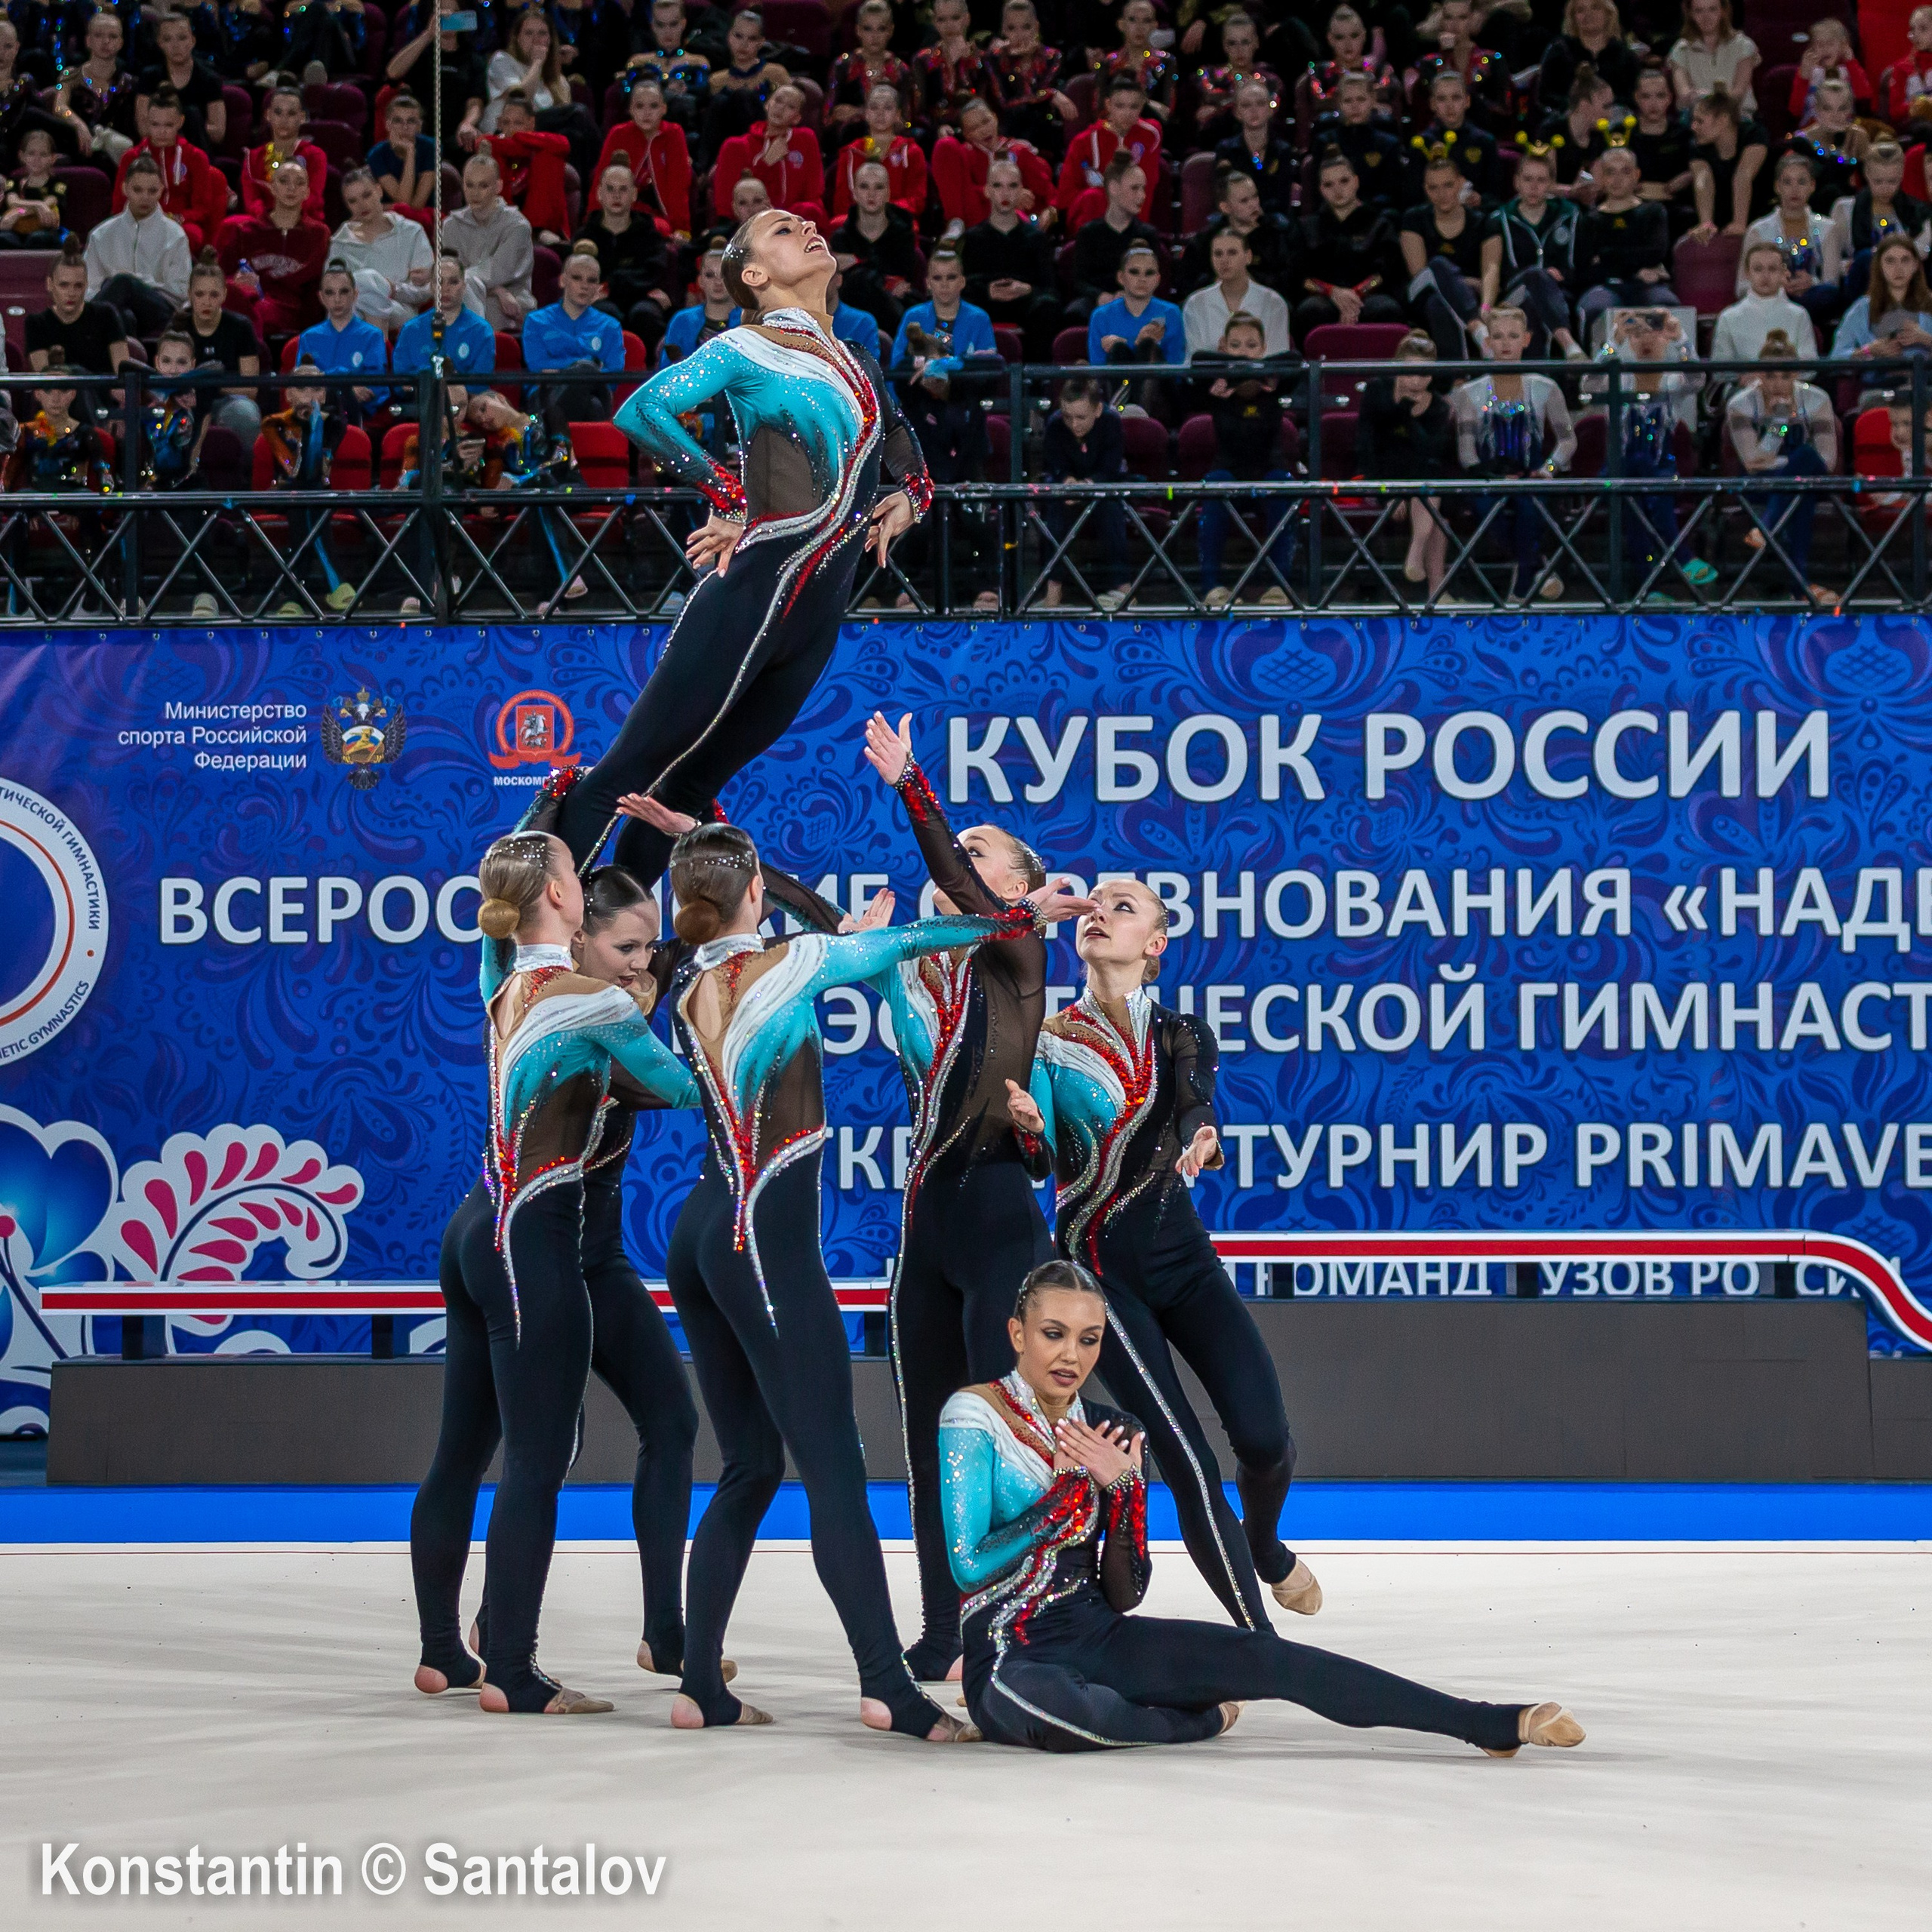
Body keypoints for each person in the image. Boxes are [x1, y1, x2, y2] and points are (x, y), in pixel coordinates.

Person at [655, 819, 1082, 1736]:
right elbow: (917, 937)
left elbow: (860, 935)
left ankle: (700, 1679)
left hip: (697, 1232)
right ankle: (888, 1685)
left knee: (747, 1464)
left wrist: (705, 843)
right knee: (836, 1472)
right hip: (760, 1238)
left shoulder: (689, 981)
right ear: (754, 901)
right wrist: (1015, 918)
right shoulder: (793, 963)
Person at [941, 1259, 1587, 1757]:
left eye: (1089, 1339)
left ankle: (1488, 1722)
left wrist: (1127, 1490)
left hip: (1098, 1638)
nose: (1071, 1356)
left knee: (1273, 1660)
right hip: (1009, 1658)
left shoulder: (1113, 1430)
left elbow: (1126, 1594)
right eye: (1054, 1335)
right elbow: (969, 1567)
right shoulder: (975, 1415)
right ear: (1017, 1333)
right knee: (1063, 1716)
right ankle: (1191, 1720)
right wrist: (1073, 1493)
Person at [408, 827, 700, 1715]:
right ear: (566, 906)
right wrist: (666, 1007)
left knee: (466, 1453)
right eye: (572, 873)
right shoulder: (594, 1003)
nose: (641, 956)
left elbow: (514, 892)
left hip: (479, 1232)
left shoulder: (502, 977)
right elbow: (687, 1089)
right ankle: (515, 1669)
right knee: (537, 1456)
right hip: (529, 1240)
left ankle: (443, 1654)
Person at [558, 208, 930, 888]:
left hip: (816, 621)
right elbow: (641, 411)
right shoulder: (747, 348)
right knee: (629, 770)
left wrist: (910, 497)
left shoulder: (861, 360)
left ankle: (630, 945)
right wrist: (731, 498)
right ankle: (536, 946)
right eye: (785, 230)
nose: (810, 227)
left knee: (691, 785)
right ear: (753, 275)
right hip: (750, 595)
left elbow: (907, 452)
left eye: (808, 223)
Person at [1005, 881, 1315, 1633]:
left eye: (1124, 905)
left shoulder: (1180, 1030)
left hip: (1184, 1261)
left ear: (1155, 945)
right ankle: (1259, 1641)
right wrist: (1026, 1127)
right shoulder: (1047, 1036)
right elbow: (1043, 1161)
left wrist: (1202, 1137)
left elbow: (1194, 1101)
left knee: (1267, 1442)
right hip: (1101, 1281)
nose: (1102, 913)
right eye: (1097, 905)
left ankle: (1263, 1544)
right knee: (1186, 1460)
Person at [850, 714, 1082, 1681]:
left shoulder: (1018, 956)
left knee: (1015, 1431)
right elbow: (797, 932)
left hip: (994, 1220)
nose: (960, 857)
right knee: (927, 1436)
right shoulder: (911, 958)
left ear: (1018, 890)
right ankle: (945, 1627)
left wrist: (914, 788)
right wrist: (720, 848)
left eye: (983, 852)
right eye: (961, 842)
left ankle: (1039, 1618)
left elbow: (960, 887)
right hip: (922, 1222)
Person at [1451, 303, 1577, 600]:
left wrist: (1549, 469)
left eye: (1512, 336)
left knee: (1530, 506)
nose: (1505, 344)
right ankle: (1537, 566)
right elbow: (1467, 452)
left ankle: (1521, 588)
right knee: (1488, 510)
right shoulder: (1470, 393)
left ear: (1526, 339)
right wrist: (1491, 478)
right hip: (1488, 476)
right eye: (1498, 336)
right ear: (1488, 342)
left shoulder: (1546, 387)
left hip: (1533, 473)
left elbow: (1568, 440)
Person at [1590, 309, 1702, 586]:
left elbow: (1698, 380)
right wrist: (1612, 342)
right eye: (1636, 333)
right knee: (1636, 470)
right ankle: (1682, 555)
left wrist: (1682, 340)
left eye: (1653, 331)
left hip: (1662, 474)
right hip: (1616, 473)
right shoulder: (1619, 378)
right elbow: (1588, 384)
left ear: (1665, 336)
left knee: (1639, 492)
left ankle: (1647, 585)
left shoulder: (1672, 381)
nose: (1645, 340)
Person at [1191, 309, 1296, 605]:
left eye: (1252, 346)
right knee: (1215, 486)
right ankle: (1213, 588)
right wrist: (1238, 374)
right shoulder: (1216, 382)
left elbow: (1295, 359)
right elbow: (1198, 359)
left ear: (1263, 348)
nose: (1244, 352)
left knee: (1283, 485)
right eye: (1235, 346)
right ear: (1224, 346)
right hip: (1229, 470)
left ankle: (1279, 587)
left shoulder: (1276, 385)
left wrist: (1257, 371)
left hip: (1268, 470)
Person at [1726, 328, 1835, 605]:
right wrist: (1780, 421)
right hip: (1761, 485)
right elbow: (1752, 463)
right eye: (1770, 375)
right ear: (1759, 375)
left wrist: (1787, 463)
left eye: (1786, 376)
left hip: (1809, 478)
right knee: (1800, 484)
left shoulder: (1817, 399)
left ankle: (1766, 528)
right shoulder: (1740, 403)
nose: (1777, 383)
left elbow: (1827, 460)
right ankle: (1800, 588)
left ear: (1797, 374)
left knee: (1806, 459)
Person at [1361, 331, 1457, 595]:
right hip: (1382, 476)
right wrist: (1386, 493)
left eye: (1424, 375)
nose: (1416, 382)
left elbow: (1429, 451)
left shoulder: (1438, 406)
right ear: (1396, 367)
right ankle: (1438, 591)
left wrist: (1408, 414)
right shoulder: (1377, 391)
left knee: (1434, 492)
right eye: (1410, 373)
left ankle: (1419, 557)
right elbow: (1368, 447)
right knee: (1433, 500)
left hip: (1422, 477)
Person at [260, 361, 355, 611]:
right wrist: (308, 426)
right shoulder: (274, 424)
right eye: (302, 389)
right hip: (284, 491)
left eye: (316, 389)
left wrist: (315, 426)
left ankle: (293, 595)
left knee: (308, 503)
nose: (309, 396)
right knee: (303, 499)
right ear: (289, 394)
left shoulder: (334, 423)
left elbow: (317, 467)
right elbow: (294, 469)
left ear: (324, 394)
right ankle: (337, 585)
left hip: (317, 491)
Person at [1477, 146, 1583, 360]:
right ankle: (1569, 344)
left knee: (1535, 305)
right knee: (1535, 275)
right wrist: (1486, 306)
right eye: (1528, 179)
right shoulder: (1500, 218)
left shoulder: (1570, 214)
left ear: (1551, 184)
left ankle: (1543, 380)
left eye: (1541, 180)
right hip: (1515, 292)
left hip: (1559, 294)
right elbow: (1491, 267)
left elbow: (1583, 263)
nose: (1534, 187)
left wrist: (1564, 275)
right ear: (1516, 182)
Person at [1294, 150, 1404, 342]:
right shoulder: (1306, 227)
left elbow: (1388, 272)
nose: (1337, 190)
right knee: (1310, 311)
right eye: (1329, 184)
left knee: (1387, 310)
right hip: (1323, 297)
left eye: (1344, 181)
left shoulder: (1380, 224)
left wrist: (1354, 296)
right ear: (1321, 189)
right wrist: (1333, 292)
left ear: (1356, 182)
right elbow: (1298, 276)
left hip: (1371, 296)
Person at [1038, 375, 1127, 610]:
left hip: (1101, 487)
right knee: (1056, 511)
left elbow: (1112, 466)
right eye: (1068, 417)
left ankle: (1122, 585)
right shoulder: (1056, 425)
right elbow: (1053, 463)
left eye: (1081, 417)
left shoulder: (1111, 422)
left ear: (1097, 410)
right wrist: (1067, 481)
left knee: (1112, 510)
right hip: (1067, 488)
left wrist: (1088, 484)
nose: (1074, 425)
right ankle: (1053, 587)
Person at [217, 157, 330, 337]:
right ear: (272, 188)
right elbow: (221, 277)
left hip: (292, 311)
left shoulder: (318, 234)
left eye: (299, 183)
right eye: (284, 181)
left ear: (307, 192)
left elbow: (316, 287)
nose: (291, 188)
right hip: (247, 301)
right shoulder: (245, 231)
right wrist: (236, 280)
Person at [1577, 143, 1677, 342]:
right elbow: (1585, 266)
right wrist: (1636, 268)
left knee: (1666, 305)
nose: (1617, 179)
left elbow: (1656, 253)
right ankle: (1595, 370)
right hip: (1606, 286)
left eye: (1625, 172)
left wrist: (1606, 256)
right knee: (1596, 307)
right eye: (1610, 172)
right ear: (1602, 178)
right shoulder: (1589, 219)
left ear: (1636, 175)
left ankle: (1668, 370)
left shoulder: (1654, 212)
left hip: (1646, 287)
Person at [84, 154, 191, 337]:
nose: (145, 197)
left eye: (152, 191)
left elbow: (180, 292)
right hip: (113, 309)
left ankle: (81, 329)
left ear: (161, 190)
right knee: (125, 317)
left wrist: (137, 282)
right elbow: (88, 287)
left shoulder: (176, 235)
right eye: (138, 190)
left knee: (123, 282)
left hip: (160, 310)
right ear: (125, 188)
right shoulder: (101, 234)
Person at [962, 158, 1059, 359]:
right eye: (998, 186)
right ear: (987, 191)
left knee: (1048, 308)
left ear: (1021, 191)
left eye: (1012, 186)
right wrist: (987, 290)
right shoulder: (972, 238)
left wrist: (1028, 289)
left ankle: (1036, 381)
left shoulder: (1037, 238)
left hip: (1026, 305)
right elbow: (963, 284)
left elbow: (1051, 288)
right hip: (985, 304)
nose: (1005, 193)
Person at [1739, 153, 1844, 333]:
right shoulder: (1758, 230)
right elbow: (1742, 286)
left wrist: (1812, 282)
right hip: (1771, 298)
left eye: (1801, 182)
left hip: (1814, 302)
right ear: (1777, 187)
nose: (1794, 189)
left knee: (1827, 296)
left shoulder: (1828, 228)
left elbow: (1831, 282)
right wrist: (1775, 283)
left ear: (1812, 186)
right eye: (1787, 182)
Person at [574, 162, 673, 351]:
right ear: (599, 194)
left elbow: (652, 273)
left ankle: (650, 376)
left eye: (623, 189)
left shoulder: (650, 234)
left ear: (634, 194)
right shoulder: (584, 236)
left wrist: (611, 285)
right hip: (600, 299)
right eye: (610, 189)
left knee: (645, 316)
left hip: (641, 297)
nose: (617, 196)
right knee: (604, 314)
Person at [112, 89, 226, 255]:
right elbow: (118, 204)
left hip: (181, 223)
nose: (161, 132)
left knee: (188, 235)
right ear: (147, 122)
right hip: (138, 221)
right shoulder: (131, 158)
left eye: (168, 125)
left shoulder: (195, 157)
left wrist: (174, 219)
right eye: (155, 125)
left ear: (180, 122)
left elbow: (202, 208)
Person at [1402, 148, 1486, 361]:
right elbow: (1421, 274)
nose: (1442, 194)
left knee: (1439, 306)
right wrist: (1464, 282)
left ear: (1461, 183)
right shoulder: (1414, 219)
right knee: (1438, 264)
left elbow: (1491, 272)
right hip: (1422, 291)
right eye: (1434, 188)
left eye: (1448, 185)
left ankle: (1457, 382)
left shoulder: (1480, 221)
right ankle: (1477, 328)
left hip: (1451, 300)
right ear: (1426, 190)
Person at [331, 167, 434, 334]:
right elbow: (332, 292)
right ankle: (379, 354)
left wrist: (392, 289)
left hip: (401, 310)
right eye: (353, 201)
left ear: (379, 191)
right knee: (358, 294)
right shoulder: (341, 241)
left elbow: (425, 291)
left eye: (367, 195)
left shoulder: (411, 232)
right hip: (353, 309)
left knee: (363, 281)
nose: (362, 205)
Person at [174, 250, 263, 441]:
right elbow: (167, 377)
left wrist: (211, 388)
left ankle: (246, 471)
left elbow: (250, 390)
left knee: (245, 414)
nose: (207, 301)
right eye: (200, 294)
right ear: (189, 295)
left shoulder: (241, 327)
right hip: (186, 401)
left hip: (227, 401)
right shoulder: (178, 326)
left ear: (224, 295)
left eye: (214, 295)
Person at [931, 95, 1050, 237]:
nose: (983, 130)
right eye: (974, 128)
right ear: (967, 135)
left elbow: (1049, 193)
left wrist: (1051, 211)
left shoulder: (1019, 150)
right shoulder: (963, 155)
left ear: (995, 117)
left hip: (1022, 227)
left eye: (986, 121)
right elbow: (963, 194)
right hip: (979, 227)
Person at [384, 0, 486, 165]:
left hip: (456, 134)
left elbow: (475, 102)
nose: (447, 17)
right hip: (421, 131)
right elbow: (393, 73)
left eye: (453, 12)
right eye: (442, 12)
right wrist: (428, 35)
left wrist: (468, 123)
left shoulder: (473, 59)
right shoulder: (421, 53)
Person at [710, 82, 825, 227]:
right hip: (750, 223)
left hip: (796, 223)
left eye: (790, 107)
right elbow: (726, 205)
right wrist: (766, 163)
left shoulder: (806, 139)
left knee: (809, 210)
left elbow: (814, 193)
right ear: (767, 104)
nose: (781, 108)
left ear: (797, 118)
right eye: (778, 101)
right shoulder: (736, 147)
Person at [1056, 73, 1161, 229]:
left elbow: (1148, 184)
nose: (1127, 113)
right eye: (1120, 106)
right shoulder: (1083, 142)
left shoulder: (1151, 134)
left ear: (1142, 107)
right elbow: (1066, 193)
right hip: (1091, 218)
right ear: (1108, 105)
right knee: (1093, 197)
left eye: (1134, 107)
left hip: (1134, 219)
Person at [443, 153, 534, 333]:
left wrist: (497, 290)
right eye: (469, 185)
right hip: (483, 296)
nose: (475, 193)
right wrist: (498, 291)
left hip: (512, 301)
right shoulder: (451, 225)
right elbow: (450, 277)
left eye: (483, 186)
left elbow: (498, 272)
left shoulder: (518, 226)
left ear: (498, 186)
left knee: (460, 313)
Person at [1067, 153, 1161, 324]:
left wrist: (1131, 294)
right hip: (1097, 302)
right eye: (1135, 188)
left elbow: (1155, 280)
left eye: (1143, 189)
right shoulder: (1089, 233)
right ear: (1113, 188)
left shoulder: (1148, 235)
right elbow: (1079, 281)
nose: (1142, 196)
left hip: (1138, 299)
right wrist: (1101, 296)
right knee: (1076, 312)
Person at [595, 78, 691, 242]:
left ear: (664, 109)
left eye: (653, 106)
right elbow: (601, 180)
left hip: (658, 218)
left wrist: (681, 229)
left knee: (654, 230)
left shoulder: (674, 133)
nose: (647, 113)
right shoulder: (618, 134)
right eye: (639, 106)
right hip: (619, 214)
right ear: (630, 110)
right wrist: (595, 218)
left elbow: (678, 186)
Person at [830, 158, 920, 334]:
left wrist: (857, 261)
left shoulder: (904, 235)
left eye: (879, 187)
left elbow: (904, 277)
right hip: (854, 308)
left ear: (888, 193)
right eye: (864, 187)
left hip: (893, 310)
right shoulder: (841, 238)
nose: (871, 194)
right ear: (854, 193)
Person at [1833, 141, 1931, 297]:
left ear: (1901, 175)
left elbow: (1921, 253)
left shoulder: (1919, 212)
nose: (1885, 188)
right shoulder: (1844, 209)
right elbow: (1833, 261)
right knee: (1865, 258)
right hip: (1862, 284)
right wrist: (1846, 266)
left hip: (1906, 283)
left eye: (1892, 181)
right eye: (1878, 181)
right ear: (1867, 174)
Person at [1832, 236, 1932, 385]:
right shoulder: (1862, 308)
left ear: (1916, 265)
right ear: (1879, 266)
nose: (1898, 269)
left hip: (1926, 390)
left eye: (1905, 260)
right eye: (1890, 261)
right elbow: (1835, 359)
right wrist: (1869, 351)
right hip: (1878, 390)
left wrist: (1925, 339)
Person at [1306, 72, 1407, 218]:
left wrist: (1361, 209)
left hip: (1374, 216)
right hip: (1334, 216)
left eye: (1361, 99)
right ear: (1338, 103)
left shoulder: (1388, 144)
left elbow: (1391, 194)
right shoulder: (1324, 142)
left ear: (1373, 100)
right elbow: (1318, 193)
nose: (1355, 106)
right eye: (1348, 101)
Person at [984, 0, 1078, 155]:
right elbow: (1006, 104)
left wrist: (1045, 92)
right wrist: (1051, 94)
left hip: (1043, 133)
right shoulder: (993, 59)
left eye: (1026, 27)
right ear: (1003, 30)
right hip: (1008, 133)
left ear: (1036, 27)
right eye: (1012, 28)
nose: (1019, 35)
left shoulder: (1052, 57)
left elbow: (1038, 97)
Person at [481, 88, 573, 246]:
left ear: (531, 123)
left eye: (518, 123)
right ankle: (505, 226)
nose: (511, 129)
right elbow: (483, 142)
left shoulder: (544, 143)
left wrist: (519, 138)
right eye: (506, 123)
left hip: (541, 220)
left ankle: (539, 230)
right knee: (493, 155)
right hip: (504, 222)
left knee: (548, 156)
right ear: (499, 123)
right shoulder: (496, 145)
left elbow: (564, 145)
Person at [1183, 226, 1289, 358]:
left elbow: (1277, 361)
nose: (1224, 260)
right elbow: (1195, 361)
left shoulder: (1273, 302)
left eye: (1232, 253)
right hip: (1213, 379)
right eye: (1218, 254)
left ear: (1248, 257)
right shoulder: (1196, 303)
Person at [26, 248, 128, 383]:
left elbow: (124, 374)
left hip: (103, 396)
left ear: (86, 285)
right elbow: (46, 382)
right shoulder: (37, 323)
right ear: (50, 284)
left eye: (78, 286)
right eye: (64, 285)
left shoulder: (106, 315)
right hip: (60, 397)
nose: (71, 293)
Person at [297, 261, 386, 416]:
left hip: (357, 412)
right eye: (330, 293)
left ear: (355, 295)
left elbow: (375, 386)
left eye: (344, 292)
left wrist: (332, 385)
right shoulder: (309, 337)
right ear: (321, 297)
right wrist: (344, 387)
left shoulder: (373, 336)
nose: (337, 299)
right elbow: (303, 382)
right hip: (317, 412)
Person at [1712, 242, 1819, 367]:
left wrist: (1783, 378)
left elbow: (1810, 366)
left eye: (1772, 269)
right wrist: (1744, 378)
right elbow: (1719, 369)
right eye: (1758, 269)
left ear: (1783, 272)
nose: (1765, 276)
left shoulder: (1799, 315)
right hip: (1744, 386)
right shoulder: (1728, 317)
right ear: (1747, 273)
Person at [828, 0, 918, 148]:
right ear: (858, 30)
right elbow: (829, 117)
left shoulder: (901, 70)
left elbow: (906, 121)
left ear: (890, 31)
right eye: (868, 29)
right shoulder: (843, 66)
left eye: (881, 29)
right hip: (852, 139)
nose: (874, 36)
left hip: (891, 138)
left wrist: (859, 112)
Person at [392, 252, 498, 377]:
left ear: (464, 287)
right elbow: (401, 383)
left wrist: (459, 389)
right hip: (419, 396)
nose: (445, 288)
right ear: (431, 287)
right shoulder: (410, 330)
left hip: (467, 397)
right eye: (439, 282)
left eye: (453, 282)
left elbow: (481, 383)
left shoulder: (481, 330)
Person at [838, 82, 929, 223]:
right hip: (857, 224)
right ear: (866, 113)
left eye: (887, 108)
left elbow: (917, 200)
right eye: (874, 108)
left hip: (897, 221)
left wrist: (883, 211)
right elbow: (841, 202)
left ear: (898, 115)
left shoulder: (911, 152)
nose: (880, 114)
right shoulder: (850, 153)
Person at [137, 13, 226, 155]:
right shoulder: (149, 77)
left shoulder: (209, 79)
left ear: (193, 41)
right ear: (160, 43)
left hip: (197, 152)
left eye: (182, 38)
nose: (176, 46)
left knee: (192, 114)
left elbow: (218, 132)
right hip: (157, 153)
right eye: (168, 39)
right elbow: (143, 129)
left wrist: (186, 125)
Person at [1088, 242, 1183, 373]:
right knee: (1119, 352)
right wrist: (1130, 345)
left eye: (1149, 273)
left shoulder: (1171, 313)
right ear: (1121, 277)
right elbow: (1098, 370)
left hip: (1156, 387)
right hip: (1118, 387)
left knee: (1147, 348)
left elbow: (1175, 367)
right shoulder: (1101, 316)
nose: (1142, 279)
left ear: (1158, 279)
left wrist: (1133, 344)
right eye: (1134, 272)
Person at [239, 85, 328, 226]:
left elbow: (314, 198)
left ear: (302, 117)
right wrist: (272, 218)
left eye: (291, 113)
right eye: (278, 112)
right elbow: (252, 201)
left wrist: (287, 216)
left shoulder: (315, 156)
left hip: (304, 225)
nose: (284, 119)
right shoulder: (253, 158)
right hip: (264, 224)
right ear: (268, 115)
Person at [1689, 87, 1769, 238]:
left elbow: (1743, 175)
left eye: (1700, 121)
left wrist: (1739, 224)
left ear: (1723, 120)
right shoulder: (1698, 145)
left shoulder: (1753, 134)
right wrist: (1706, 224)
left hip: (1759, 214)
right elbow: (1703, 182)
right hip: (1721, 215)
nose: (1693, 127)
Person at [1212, 77, 1293, 218]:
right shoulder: (1226, 150)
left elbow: (1282, 200)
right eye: (1246, 105)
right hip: (1235, 220)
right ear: (1237, 113)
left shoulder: (1283, 150)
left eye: (1260, 104)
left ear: (1271, 109)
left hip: (1271, 221)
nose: (1254, 110)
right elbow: (1222, 198)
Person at [1540, 0, 1640, 110]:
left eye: (1596, 8)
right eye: (1580, 10)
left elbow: (1635, 96)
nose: (1588, 14)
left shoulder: (1625, 55)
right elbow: (1546, 95)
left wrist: (1605, 105)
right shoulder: (1559, 51)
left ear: (1608, 14)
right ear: (1573, 18)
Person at [140, 331, 209, 488]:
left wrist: (182, 389)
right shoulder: (146, 394)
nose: (173, 369)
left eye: (181, 362)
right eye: (166, 361)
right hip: (149, 482)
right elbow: (126, 366)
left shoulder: (197, 398)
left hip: (187, 481)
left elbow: (217, 367)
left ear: (192, 365)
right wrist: (171, 393)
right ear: (157, 362)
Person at [914, 0, 989, 139]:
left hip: (977, 132)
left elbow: (986, 103)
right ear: (935, 22)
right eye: (942, 20)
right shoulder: (923, 60)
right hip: (937, 133)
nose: (949, 25)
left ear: (967, 19)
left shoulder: (982, 60)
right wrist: (938, 128)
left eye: (955, 18)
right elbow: (919, 110)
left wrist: (964, 62)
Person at [1669, 0, 1758, 112]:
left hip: (1737, 117)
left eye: (1712, 9)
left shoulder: (1743, 46)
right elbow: (1684, 94)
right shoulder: (1681, 49)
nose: (1706, 17)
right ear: (1690, 14)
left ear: (1723, 11)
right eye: (1699, 11)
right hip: (1696, 118)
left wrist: (1710, 101)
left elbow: (1738, 94)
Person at [1630, 61, 1693, 214]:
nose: (1653, 104)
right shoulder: (1624, 134)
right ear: (1636, 98)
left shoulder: (1683, 134)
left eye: (1660, 96)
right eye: (1646, 96)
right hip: (1633, 208)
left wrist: (1688, 177)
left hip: (1677, 208)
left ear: (1670, 98)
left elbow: (1699, 166)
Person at [658, 242, 733, 365]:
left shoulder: (751, 320)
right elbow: (666, 371)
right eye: (710, 275)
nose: (718, 282)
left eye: (724, 275)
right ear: (700, 281)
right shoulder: (682, 320)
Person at [368, 91, 435, 223]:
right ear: (388, 125)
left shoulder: (431, 148)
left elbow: (416, 206)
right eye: (398, 121)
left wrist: (410, 152)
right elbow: (404, 203)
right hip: (392, 219)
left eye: (411, 121)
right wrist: (411, 154)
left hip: (425, 217)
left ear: (419, 126)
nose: (404, 127)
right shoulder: (376, 154)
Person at [1790, 17, 1869, 125]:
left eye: (1830, 44)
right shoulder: (1808, 72)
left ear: (1843, 46)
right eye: (1820, 44)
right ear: (1812, 48)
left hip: (1846, 124)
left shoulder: (1849, 70)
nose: (1825, 48)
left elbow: (1864, 96)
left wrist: (1852, 64)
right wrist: (1804, 78)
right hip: (1814, 126)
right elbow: (1795, 110)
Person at [0, 128, 67, 249]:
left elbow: (49, 203)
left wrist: (19, 213)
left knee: (38, 238)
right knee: (4, 238)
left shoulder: (58, 184)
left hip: (44, 229)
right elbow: (13, 202)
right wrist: (38, 205)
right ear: (22, 156)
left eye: (43, 154)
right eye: (31, 153)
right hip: (16, 230)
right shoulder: (13, 181)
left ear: (53, 158)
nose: (37, 159)